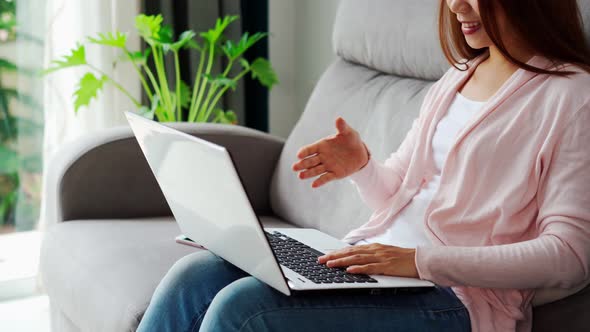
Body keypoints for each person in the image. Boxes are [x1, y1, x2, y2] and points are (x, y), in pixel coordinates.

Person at [137, 0, 590, 331]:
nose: (456, 7)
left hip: (454, 302)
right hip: (371, 268)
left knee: (244, 309)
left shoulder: (571, 96)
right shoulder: (458, 77)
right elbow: (397, 192)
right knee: (195, 275)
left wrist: (419, 262)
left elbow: (569, 257)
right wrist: (362, 167)